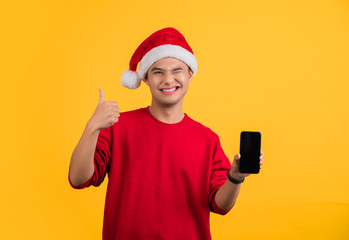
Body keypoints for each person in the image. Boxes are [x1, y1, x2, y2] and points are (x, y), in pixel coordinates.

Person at [68, 27, 264, 240]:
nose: (168, 80)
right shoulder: (117, 126)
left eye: (177, 70)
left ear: (190, 74)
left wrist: (235, 178)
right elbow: (78, 179)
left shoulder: (207, 139)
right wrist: (92, 128)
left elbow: (221, 205)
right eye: (158, 72)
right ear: (145, 78)